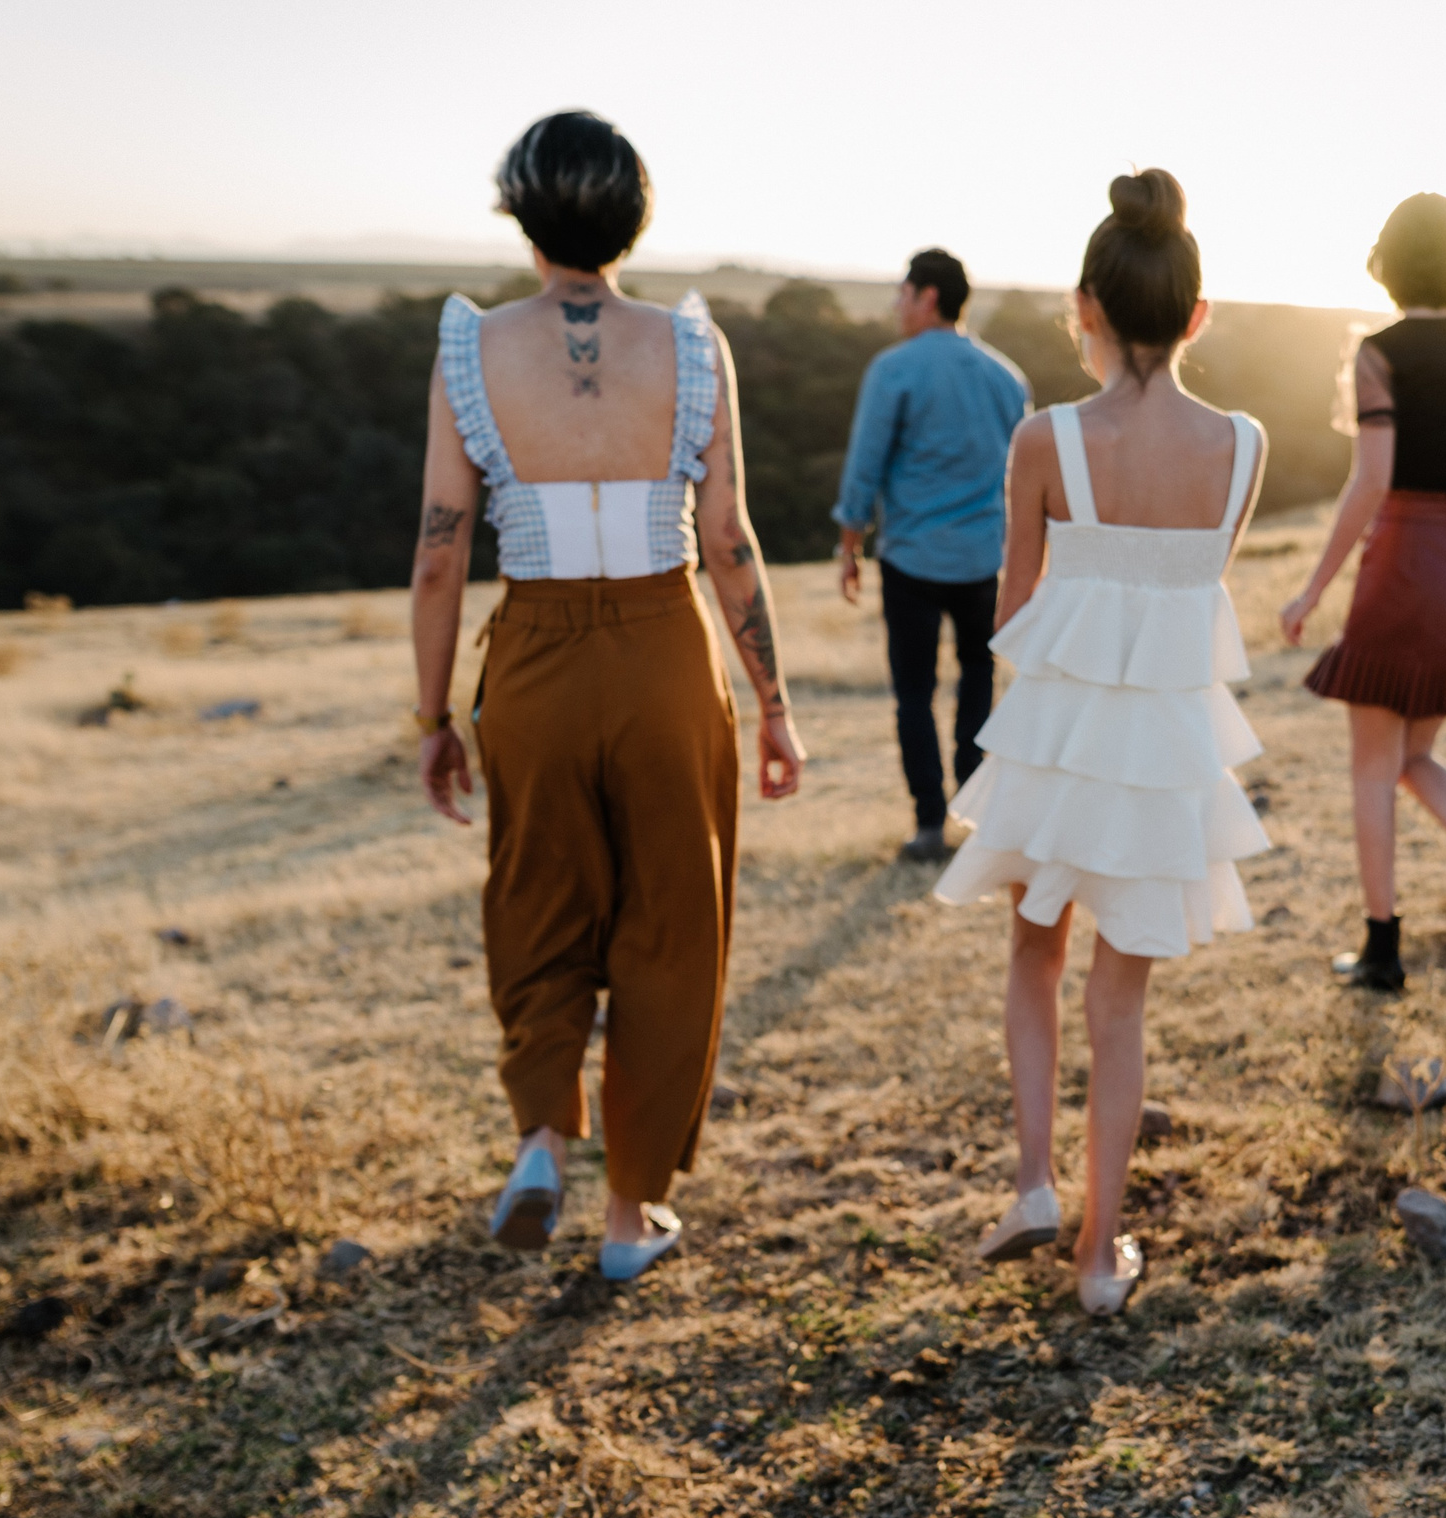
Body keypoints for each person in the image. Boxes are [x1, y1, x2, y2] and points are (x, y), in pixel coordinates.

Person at [408, 111, 804, 1281]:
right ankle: (630, 1216)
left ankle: (541, 1131)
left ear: (522, 218)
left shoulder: (471, 348)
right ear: (634, 214)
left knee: (536, 895)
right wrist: (772, 703)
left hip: (531, 652)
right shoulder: (689, 346)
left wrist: (433, 718)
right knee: (671, 923)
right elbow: (726, 538)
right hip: (665, 646)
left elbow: (440, 549)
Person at [935, 170, 1267, 1317]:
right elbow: (1194, 594)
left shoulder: (1044, 439)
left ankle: (1033, 1182)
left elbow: (1011, 615)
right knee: (1118, 1006)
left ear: (1084, 305)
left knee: (1033, 954)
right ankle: (1096, 1257)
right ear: (1195, 314)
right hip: (1165, 753)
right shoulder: (1242, 444)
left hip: (1059, 744)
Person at [1278, 193, 1446, 988]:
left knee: (1374, 764)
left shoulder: (1380, 351)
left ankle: (1382, 949)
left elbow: (1370, 483)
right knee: (1413, 754)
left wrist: (1309, 591)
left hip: (1407, 555)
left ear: (1389, 265)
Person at [833, 249, 1031, 862]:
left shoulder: (893, 370)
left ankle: (927, 826)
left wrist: (849, 546)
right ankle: (974, 810)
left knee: (914, 694)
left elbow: (865, 464)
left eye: (902, 293)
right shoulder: (1008, 377)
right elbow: (1021, 476)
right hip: (982, 562)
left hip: (912, 561)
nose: (895, 304)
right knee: (978, 682)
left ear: (929, 297)